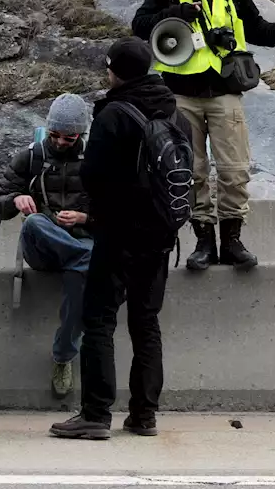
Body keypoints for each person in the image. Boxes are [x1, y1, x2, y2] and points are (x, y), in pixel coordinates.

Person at [131, 0, 275, 272]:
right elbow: (140, 25)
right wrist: (176, 13)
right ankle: (203, 243)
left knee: (234, 168)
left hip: (226, 90)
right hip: (180, 94)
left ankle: (232, 241)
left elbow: (254, 27)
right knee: (190, 170)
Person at [51, 39, 183, 440]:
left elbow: (92, 175)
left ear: (116, 71)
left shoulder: (113, 113)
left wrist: (99, 211)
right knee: (146, 322)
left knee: (99, 320)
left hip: (120, 232)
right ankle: (144, 415)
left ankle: (95, 413)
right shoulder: (174, 110)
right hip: (160, 234)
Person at [0, 93, 93, 398]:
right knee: (35, 223)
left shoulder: (96, 160)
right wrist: (15, 199)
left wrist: (84, 217)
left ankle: (63, 357)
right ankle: (89, 256)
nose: (61, 142)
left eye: (69, 137)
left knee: (81, 271)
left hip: (79, 243)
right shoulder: (31, 156)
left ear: (81, 134)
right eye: (54, 135)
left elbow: (119, 209)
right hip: (44, 247)